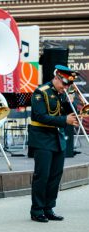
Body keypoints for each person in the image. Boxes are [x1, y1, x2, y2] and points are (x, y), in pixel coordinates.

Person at [28, 65, 79, 223]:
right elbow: (39, 116)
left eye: (68, 85)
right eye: (64, 84)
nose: (66, 87)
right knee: (42, 176)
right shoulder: (41, 92)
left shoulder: (61, 93)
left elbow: (63, 112)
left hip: (57, 139)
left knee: (55, 176)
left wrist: (70, 103)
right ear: (57, 78)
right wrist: (64, 120)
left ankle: (49, 207)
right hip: (42, 139)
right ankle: (37, 210)